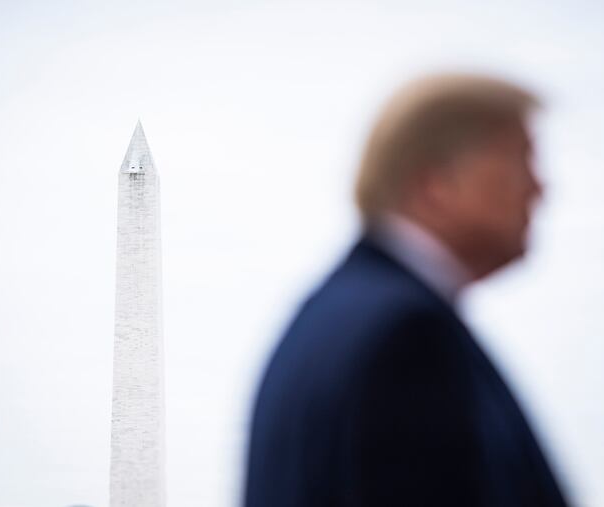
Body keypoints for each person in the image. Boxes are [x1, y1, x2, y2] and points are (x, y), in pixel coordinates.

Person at [243, 73, 571, 507]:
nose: (540, 189)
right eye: (519, 161)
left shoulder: (327, 318)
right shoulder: (406, 337)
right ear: (435, 186)